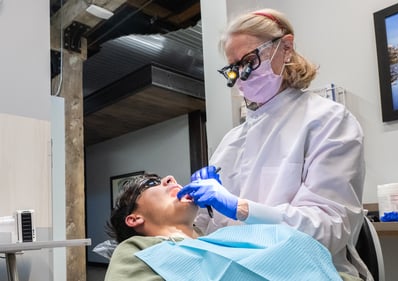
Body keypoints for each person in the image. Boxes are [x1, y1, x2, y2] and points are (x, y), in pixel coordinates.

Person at [177, 8, 369, 281]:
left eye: (250, 61)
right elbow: (204, 228)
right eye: (234, 69)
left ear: (286, 48)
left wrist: (241, 208)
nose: (242, 76)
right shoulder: (232, 140)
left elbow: (330, 230)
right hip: (232, 266)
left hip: (303, 270)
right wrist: (193, 214)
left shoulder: (328, 121)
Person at [104, 173, 343, 281]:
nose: (170, 179)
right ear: (134, 219)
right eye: (152, 183)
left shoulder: (225, 240)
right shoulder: (135, 252)